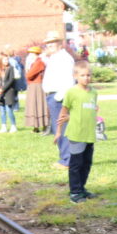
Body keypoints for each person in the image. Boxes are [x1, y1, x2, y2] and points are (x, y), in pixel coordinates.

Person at [56, 61, 99, 203]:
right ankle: (75, 192)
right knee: (76, 164)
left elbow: (89, 110)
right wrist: (58, 132)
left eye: (88, 75)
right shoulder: (71, 92)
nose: (86, 78)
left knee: (86, 163)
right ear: (75, 76)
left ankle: (81, 188)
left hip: (89, 134)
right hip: (76, 134)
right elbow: (63, 113)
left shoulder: (94, 92)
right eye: (82, 75)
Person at [42, 31, 75, 167]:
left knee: (62, 128)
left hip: (59, 97)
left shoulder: (64, 58)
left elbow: (69, 80)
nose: (49, 45)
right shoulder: (55, 57)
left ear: (60, 43)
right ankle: (65, 158)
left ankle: (67, 160)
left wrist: (58, 97)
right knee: (58, 128)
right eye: (48, 43)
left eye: (52, 42)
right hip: (53, 96)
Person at [24, 46, 49, 133]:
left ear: (36, 54)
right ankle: (36, 127)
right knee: (34, 106)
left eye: (31, 53)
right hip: (34, 85)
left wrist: (27, 73)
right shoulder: (35, 62)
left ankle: (44, 126)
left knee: (39, 105)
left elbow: (29, 75)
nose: (30, 55)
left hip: (37, 86)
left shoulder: (39, 63)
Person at [0, 54, 18, 133]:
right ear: (1, 60)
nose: (6, 61)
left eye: (7, 59)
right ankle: (3, 126)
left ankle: (13, 126)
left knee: (9, 110)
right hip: (0, 93)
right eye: (4, 59)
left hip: (9, 92)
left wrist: (3, 89)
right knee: (2, 110)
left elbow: (11, 80)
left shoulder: (10, 68)